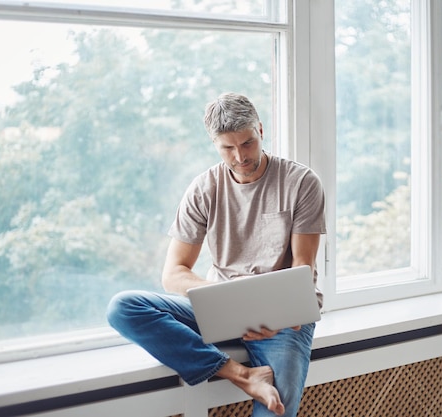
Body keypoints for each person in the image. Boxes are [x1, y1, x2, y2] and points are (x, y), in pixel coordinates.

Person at [106, 92, 326, 416]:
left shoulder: (301, 182)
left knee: (276, 408)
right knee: (123, 308)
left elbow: (303, 265)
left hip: (281, 319)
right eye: (228, 147)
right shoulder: (204, 188)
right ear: (214, 144)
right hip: (221, 308)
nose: (240, 156)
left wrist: (276, 313)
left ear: (261, 131)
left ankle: (248, 374)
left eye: (248, 143)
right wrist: (230, 302)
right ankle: (242, 375)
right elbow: (174, 273)